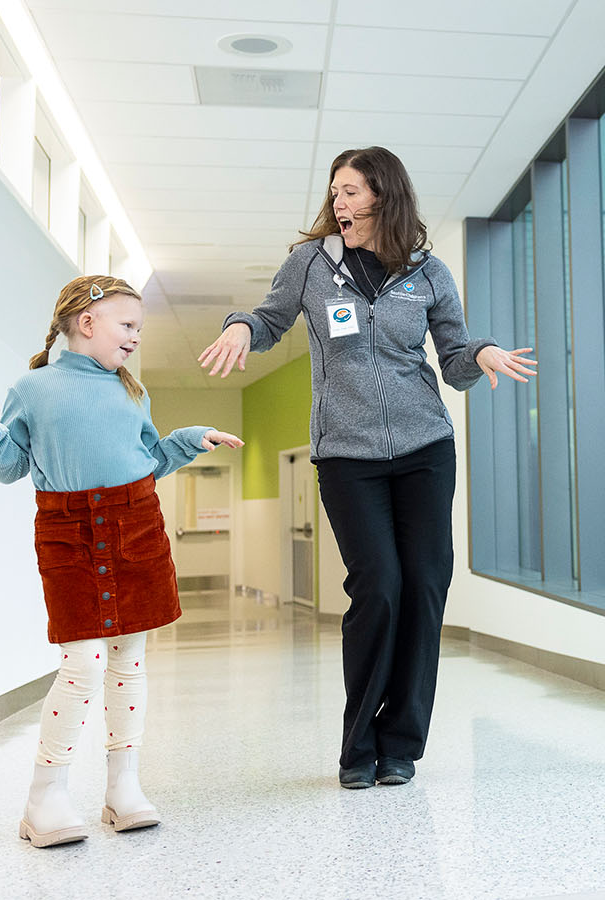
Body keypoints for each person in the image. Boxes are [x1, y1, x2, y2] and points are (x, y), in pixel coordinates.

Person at [198, 146, 536, 789]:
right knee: (379, 584)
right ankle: (359, 744)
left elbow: (455, 356)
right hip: (346, 452)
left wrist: (484, 353)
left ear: (383, 196)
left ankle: (401, 743)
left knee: (427, 582)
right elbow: (270, 319)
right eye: (334, 192)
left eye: (350, 191)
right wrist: (241, 327)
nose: (338, 202)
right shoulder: (312, 264)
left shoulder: (428, 273)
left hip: (425, 448)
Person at [0, 275, 243, 847]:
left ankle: (122, 788)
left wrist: (189, 438)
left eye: (139, 329)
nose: (135, 338)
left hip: (136, 523)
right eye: (128, 325)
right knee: (83, 664)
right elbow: (12, 465)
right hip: (68, 530)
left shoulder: (133, 391)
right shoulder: (32, 389)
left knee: (130, 661)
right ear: (87, 321)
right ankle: (45, 796)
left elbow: (148, 459)